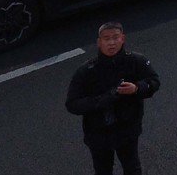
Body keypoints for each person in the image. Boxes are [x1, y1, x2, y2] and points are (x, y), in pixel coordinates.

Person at [65, 22, 160, 175]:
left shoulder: (136, 61)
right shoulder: (86, 71)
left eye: (115, 37)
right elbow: (72, 104)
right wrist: (103, 100)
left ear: (123, 39)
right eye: (106, 38)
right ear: (99, 42)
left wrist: (136, 88)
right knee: (103, 170)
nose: (111, 42)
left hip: (127, 129)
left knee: (132, 167)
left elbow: (154, 82)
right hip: (98, 133)